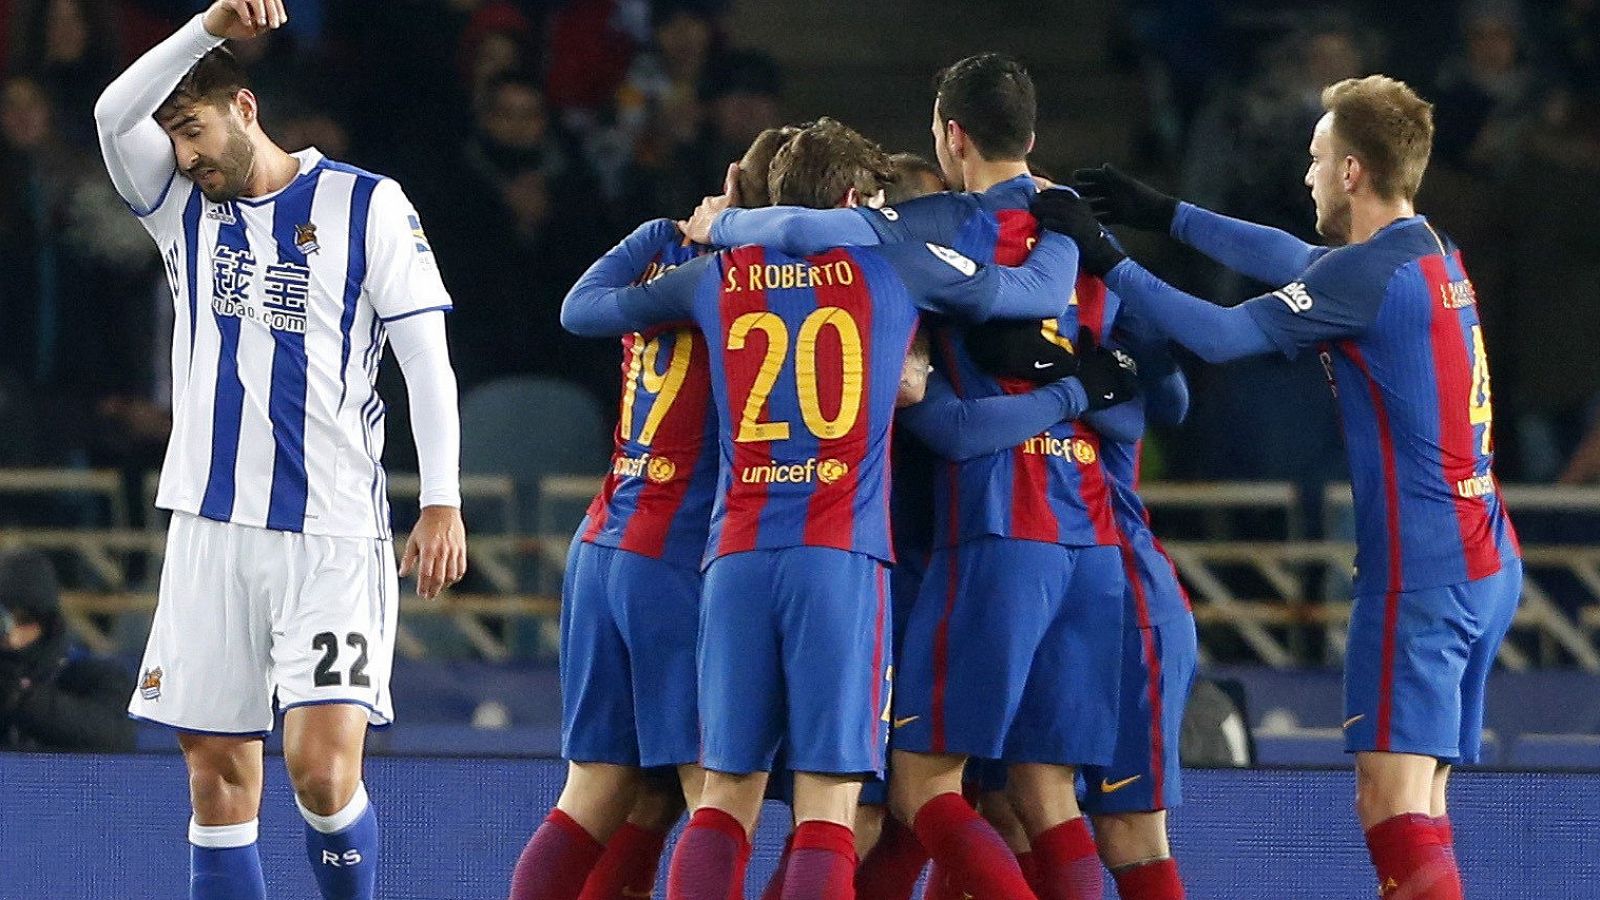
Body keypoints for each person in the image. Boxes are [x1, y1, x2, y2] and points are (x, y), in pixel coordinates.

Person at [562, 117, 1079, 900]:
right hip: (838, 558)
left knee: (725, 798)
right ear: (850, 198)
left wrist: (663, 231)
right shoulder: (897, 268)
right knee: (830, 807)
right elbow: (1034, 290)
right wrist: (1065, 227)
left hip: (734, 556)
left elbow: (588, 309)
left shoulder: (718, 274)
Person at [1034, 74, 1522, 900]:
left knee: (1388, 803)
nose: (1307, 175)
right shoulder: (1426, 249)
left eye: (1317, 157)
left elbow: (1223, 338)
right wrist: (1166, 212)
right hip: (1486, 556)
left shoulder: (1364, 278)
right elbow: (1294, 260)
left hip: (1423, 573)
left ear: (1353, 173)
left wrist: (1109, 257)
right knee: (1424, 801)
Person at [692, 53, 1133, 900]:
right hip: (1044, 538)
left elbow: (590, 306)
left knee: (858, 794)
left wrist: (718, 228)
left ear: (951, 133)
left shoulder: (771, 266)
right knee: (999, 795)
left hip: (892, 544)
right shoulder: (1025, 246)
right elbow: (1158, 397)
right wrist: (1076, 370)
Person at [92, 3, 468, 898]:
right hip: (210, 529)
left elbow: (425, 357)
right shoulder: (179, 206)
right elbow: (113, 115)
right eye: (172, 140)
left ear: (246, 107)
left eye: (192, 130)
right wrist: (207, 25)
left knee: (322, 772)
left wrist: (442, 495)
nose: (183, 156)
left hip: (330, 532)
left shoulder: (366, 203)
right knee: (216, 775)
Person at [507, 125, 797, 900]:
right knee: (716, 796)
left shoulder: (664, 256)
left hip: (605, 539)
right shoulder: (759, 286)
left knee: (600, 792)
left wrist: (657, 231)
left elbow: (578, 307)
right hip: (674, 559)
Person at [0, 548, 135, 753]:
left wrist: (22, 698)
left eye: (25, 621)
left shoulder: (91, 678)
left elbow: (114, 737)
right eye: (4, 622)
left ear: (48, 624)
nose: (12, 635)